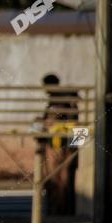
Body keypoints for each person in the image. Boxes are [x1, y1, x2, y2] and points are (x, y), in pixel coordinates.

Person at [42, 74, 79, 215]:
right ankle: (59, 208)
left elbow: (55, 121)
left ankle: (58, 209)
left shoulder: (58, 100)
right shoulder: (65, 101)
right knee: (61, 177)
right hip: (65, 144)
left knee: (58, 178)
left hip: (60, 144)